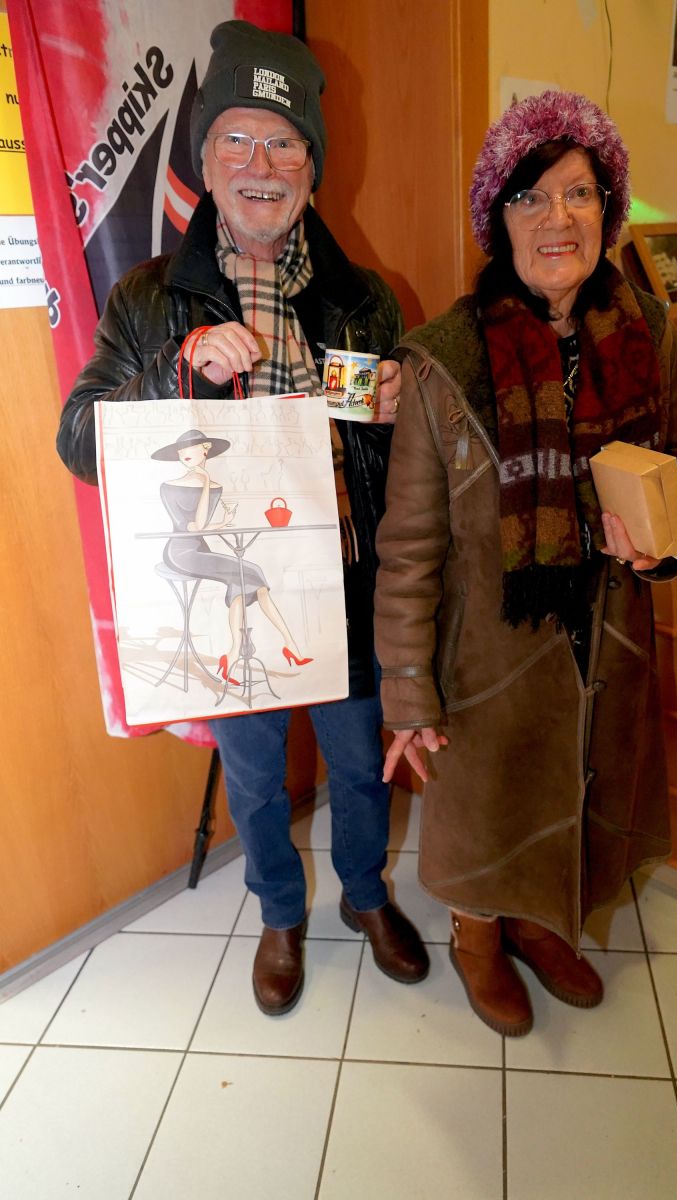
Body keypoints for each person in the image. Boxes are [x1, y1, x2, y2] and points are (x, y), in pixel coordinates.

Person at [56, 20, 428, 1016]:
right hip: (225, 590)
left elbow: (414, 474)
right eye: (236, 139)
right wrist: (173, 373)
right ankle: (279, 913)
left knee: (360, 768)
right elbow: (79, 440)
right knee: (256, 779)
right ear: (206, 159)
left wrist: (405, 413)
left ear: (313, 163)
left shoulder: (364, 301)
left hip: (347, 586)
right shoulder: (149, 298)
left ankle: (364, 895)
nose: (261, 166)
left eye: (285, 142)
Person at [374, 91, 677, 1037]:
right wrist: (407, 690)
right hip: (486, 653)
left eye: (579, 193)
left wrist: (665, 534)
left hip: (606, 640)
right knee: (490, 808)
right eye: (530, 196)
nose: (556, 218)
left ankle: (540, 919)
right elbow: (409, 546)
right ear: (498, 219)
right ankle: (479, 934)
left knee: (578, 792)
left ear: (609, 210)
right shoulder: (442, 359)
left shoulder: (648, 331)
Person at [150, 427, 308, 684]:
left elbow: (201, 526)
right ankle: (269, 649)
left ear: (205, 450)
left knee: (245, 578)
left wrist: (223, 522)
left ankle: (255, 650)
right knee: (252, 571)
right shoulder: (169, 487)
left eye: (191, 447)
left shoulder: (216, 487)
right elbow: (193, 526)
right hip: (180, 552)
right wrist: (204, 482)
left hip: (200, 549)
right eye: (180, 450)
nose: (184, 453)